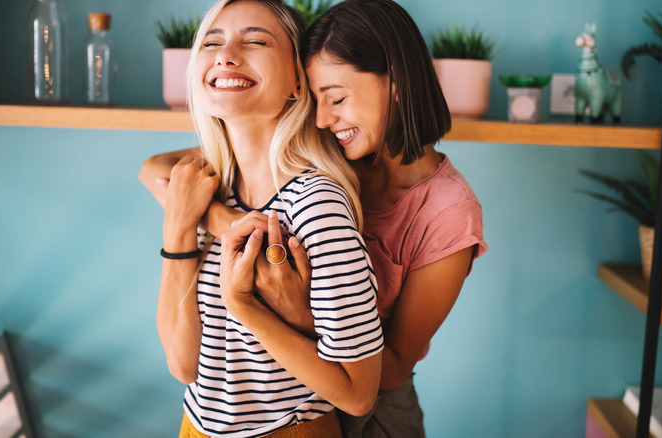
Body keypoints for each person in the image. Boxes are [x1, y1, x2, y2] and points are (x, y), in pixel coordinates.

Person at [141, 0, 487, 436]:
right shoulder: (337, 150)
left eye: (337, 98)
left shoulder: (446, 212)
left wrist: (293, 308)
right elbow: (156, 169)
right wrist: (226, 226)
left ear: (396, 84)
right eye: (315, 97)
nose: (321, 119)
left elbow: (389, 370)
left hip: (375, 410)